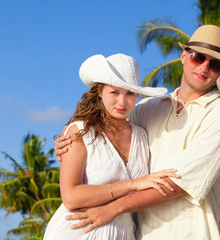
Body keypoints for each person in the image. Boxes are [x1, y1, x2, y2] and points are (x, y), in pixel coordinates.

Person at [55, 25, 220, 239]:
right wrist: (67, 144)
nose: (204, 67)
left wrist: (112, 208)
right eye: (199, 57)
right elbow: (105, 135)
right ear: (184, 56)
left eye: (215, 63)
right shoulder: (149, 108)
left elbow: (177, 184)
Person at [43, 53, 180, 240]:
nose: (122, 103)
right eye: (114, 92)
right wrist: (133, 184)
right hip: (76, 233)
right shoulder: (80, 131)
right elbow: (71, 197)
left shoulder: (141, 135)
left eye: (130, 94)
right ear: (99, 90)